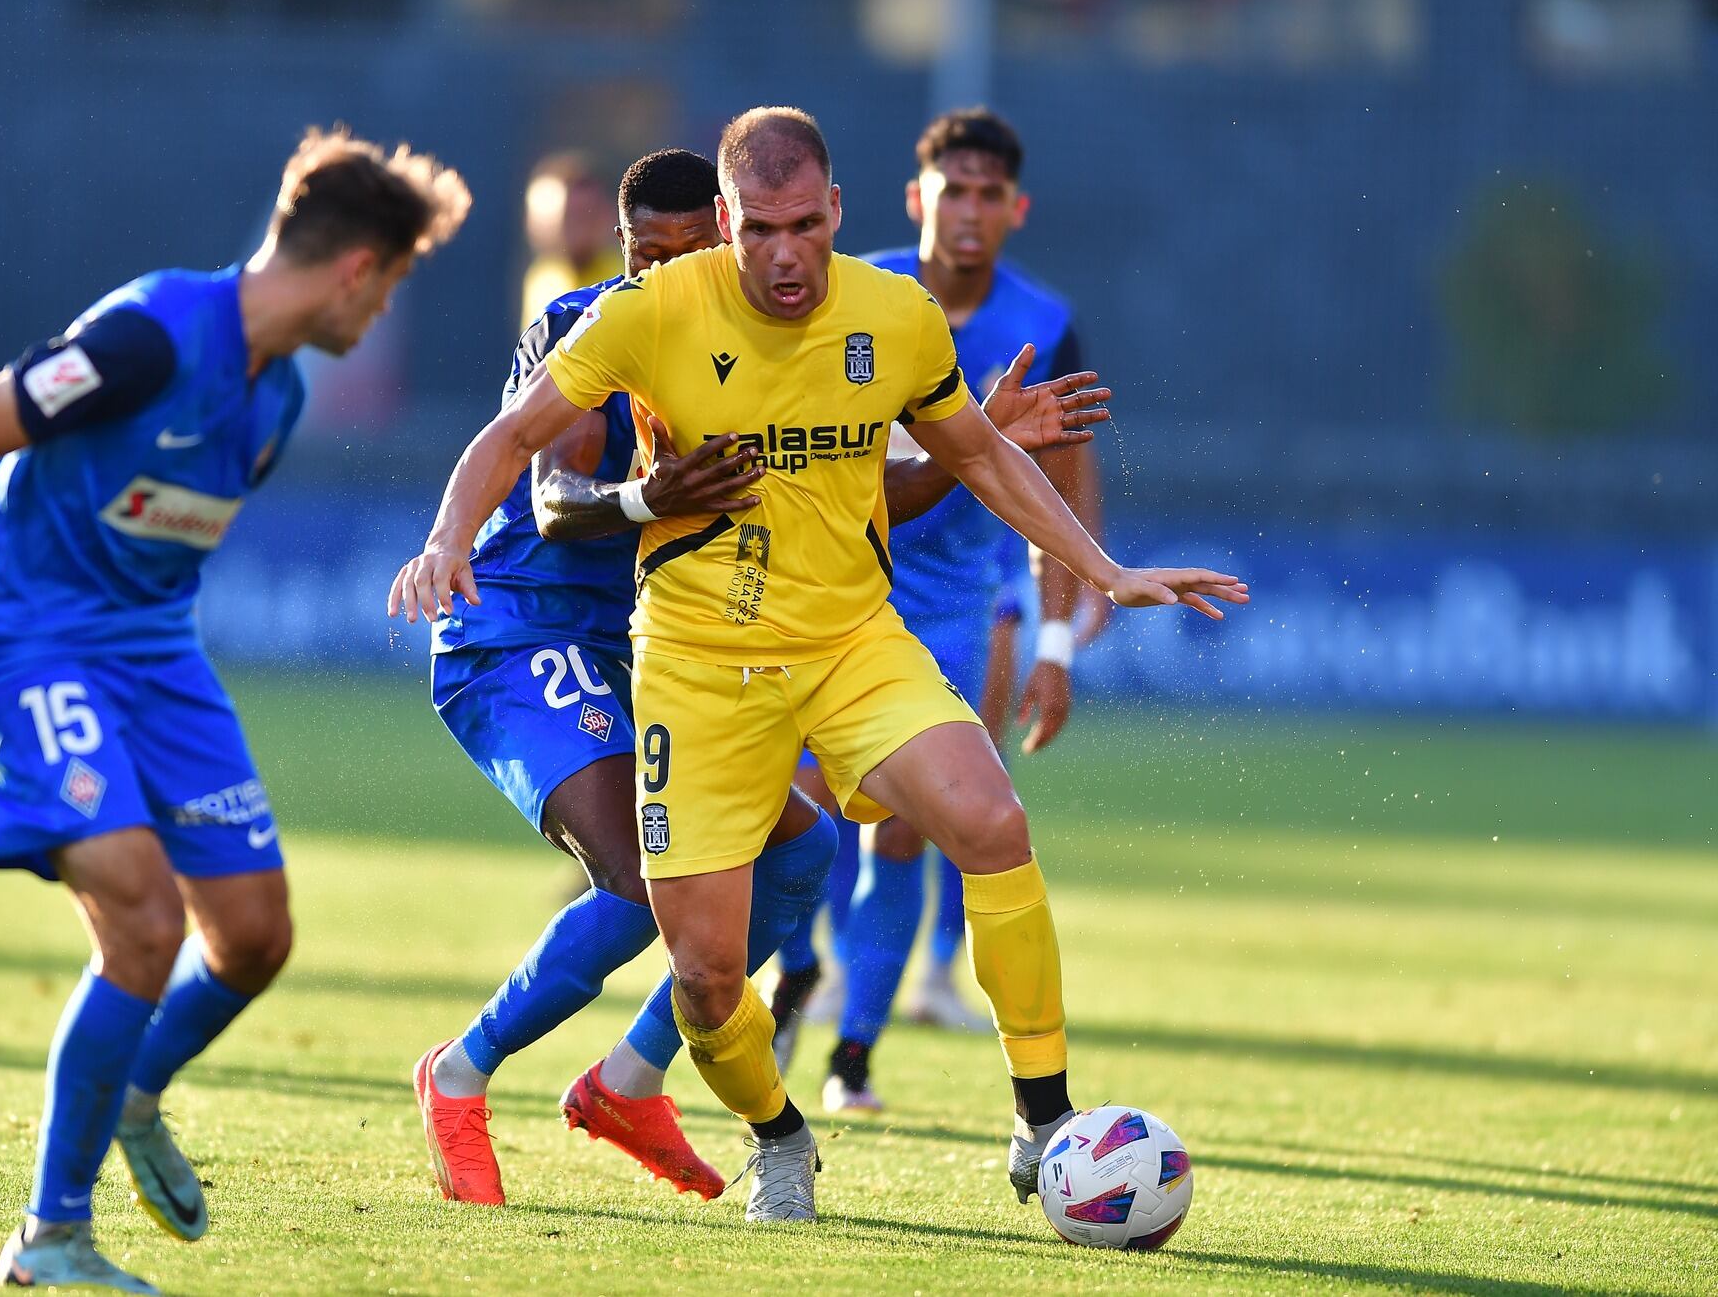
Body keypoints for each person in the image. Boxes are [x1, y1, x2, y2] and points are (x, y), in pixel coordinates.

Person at [389, 105, 1245, 1223]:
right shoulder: (627, 318)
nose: (779, 255)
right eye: (754, 233)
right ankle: (743, 1126)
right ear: (726, 231)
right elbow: (541, 485)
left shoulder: (891, 317)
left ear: (835, 212)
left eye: (799, 226)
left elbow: (938, 462)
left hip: (842, 643)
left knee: (956, 830)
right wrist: (462, 537)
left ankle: (1038, 1118)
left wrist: (1095, 567)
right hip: (598, 639)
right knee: (679, 935)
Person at [0, 126, 469, 1292]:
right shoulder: (149, 334)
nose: (382, 314)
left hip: (151, 653)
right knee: (140, 919)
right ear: (358, 269)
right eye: (396, 283)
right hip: (27, 639)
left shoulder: (271, 407)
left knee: (256, 935)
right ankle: (51, 1238)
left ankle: (131, 1087)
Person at [783, 107, 1112, 1113]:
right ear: (916, 198)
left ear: (1013, 211)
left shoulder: (1044, 323)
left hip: (951, 607)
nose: (966, 213)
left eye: (986, 196)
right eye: (950, 191)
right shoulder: (846, 289)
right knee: (788, 813)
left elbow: (1060, 491)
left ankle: (851, 1061)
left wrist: (1055, 642)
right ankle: (791, 969)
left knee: (905, 831)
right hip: (827, 592)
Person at [518, 152, 621, 329]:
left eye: (586, 215)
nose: (578, 230)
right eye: (569, 217)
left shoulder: (625, 278)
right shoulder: (541, 279)